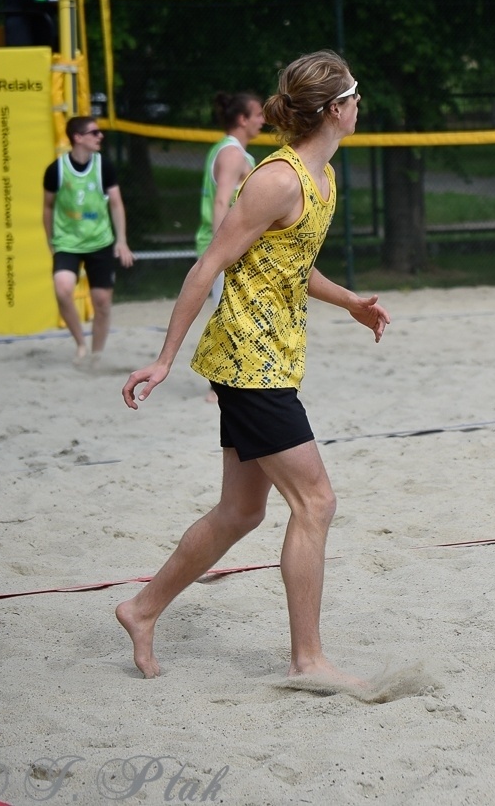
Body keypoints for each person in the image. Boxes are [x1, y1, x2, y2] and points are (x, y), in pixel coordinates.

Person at [118, 50, 391, 684]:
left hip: (274, 356)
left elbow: (292, 265)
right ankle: (307, 661)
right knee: (316, 501)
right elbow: (207, 265)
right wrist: (164, 359)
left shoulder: (322, 177)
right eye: (355, 95)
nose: (360, 105)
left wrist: (350, 301)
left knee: (241, 512)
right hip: (249, 361)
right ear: (335, 109)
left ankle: (141, 609)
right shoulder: (278, 179)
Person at [43, 116, 134, 362]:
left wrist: (121, 240)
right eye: (94, 132)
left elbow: (116, 203)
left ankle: (97, 354)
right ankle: (81, 344)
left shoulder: (104, 166)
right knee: (62, 288)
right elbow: (48, 207)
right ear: (78, 137)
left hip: (99, 241)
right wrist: (51, 241)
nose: (100, 136)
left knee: (102, 302)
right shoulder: (56, 170)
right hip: (67, 242)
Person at [197, 92, 266, 297]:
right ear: (243, 119)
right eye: (258, 115)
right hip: (225, 248)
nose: (263, 120)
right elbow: (221, 202)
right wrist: (219, 252)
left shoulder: (227, 150)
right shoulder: (232, 154)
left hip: (231, 247)